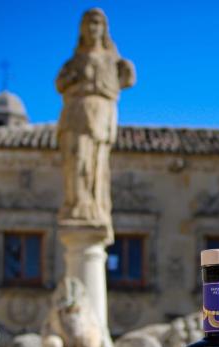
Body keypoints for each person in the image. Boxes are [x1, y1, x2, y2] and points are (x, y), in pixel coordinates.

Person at [55, 8, 136, 243]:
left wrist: (126, 68)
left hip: (100, 114)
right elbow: (59, 83)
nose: (92, 28)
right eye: (88, 24)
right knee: (76, 160)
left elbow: (127, 80)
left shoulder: (113, 60)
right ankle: (78, 203)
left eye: (97, 23)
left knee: (96, 164)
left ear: (104, 29)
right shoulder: (74, 62)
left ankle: (93, 205)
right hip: (75, 113)